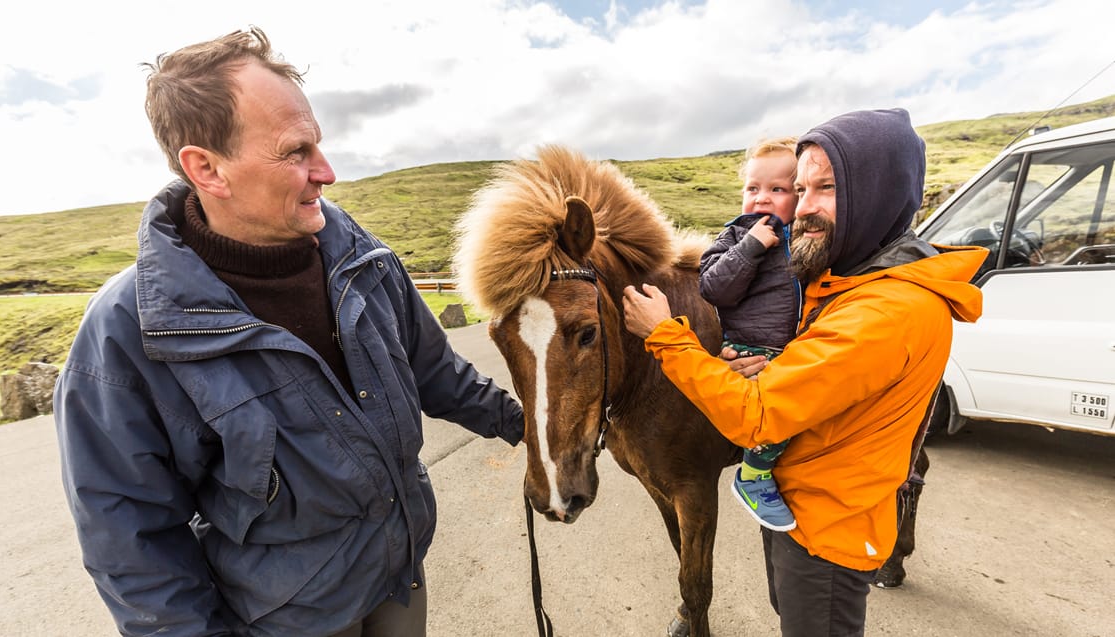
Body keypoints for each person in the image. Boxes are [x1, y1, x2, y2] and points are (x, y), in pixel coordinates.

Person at [53, 27, 524, 637]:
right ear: (207, 168)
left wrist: (527, 427)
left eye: (318, 145)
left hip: (400, 573)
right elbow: (131, 541)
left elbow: (433, 370)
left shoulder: (363, 259)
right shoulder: (124, 333)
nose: (325, 172)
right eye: (295, 152)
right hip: (286, 619)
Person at [622, 108, 987, 636]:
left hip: (828, 529)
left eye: (826, 188)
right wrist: (746, 359)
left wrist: (666, 335)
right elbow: (798, 361)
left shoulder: (885, 311)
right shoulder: (847, 283)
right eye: (802, 187)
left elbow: (759, 416)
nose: (803, 207)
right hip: (802, 505)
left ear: (877, 194)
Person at [698, 136, 802, 532]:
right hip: (750, 345)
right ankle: (754, 475)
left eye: (778, 190)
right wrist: (750, 249)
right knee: (777, 406)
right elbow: (712, 287)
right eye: (753, 188)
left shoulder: (810, 238)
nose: (762, 199)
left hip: (794, 345)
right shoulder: (736, 237)